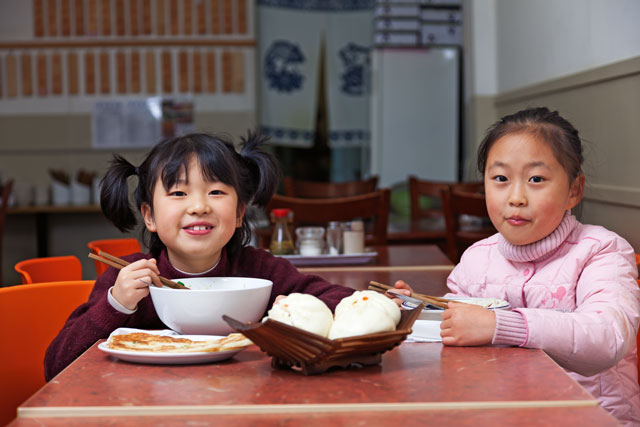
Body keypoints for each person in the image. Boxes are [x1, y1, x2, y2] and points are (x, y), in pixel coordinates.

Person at [393, 107, 640, 424]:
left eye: (536, 179)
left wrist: (501, 324)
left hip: (589, 416)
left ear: (574, 190)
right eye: (500, 179)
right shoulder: (477, 258)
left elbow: (607, 338)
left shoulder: (602, 250)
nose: (516, 197)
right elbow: (461, 331)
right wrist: (417, 310)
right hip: (501, 413)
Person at [44, 132, 354, 380]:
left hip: (243, 399)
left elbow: (332, 298)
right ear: (149, 217)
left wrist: (382, 303)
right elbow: (56, 365)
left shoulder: (260, 272)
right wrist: (116, 304)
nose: (198, 206)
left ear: (238, 213)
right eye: (179, 193)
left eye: (216, 192)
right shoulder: (130, 280)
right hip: (148, 408)